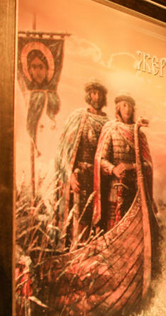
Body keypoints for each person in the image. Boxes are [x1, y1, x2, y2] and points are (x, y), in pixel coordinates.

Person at [54, 80, 109, 244]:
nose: (97, 97)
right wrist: (70, 175)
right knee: (79, 217)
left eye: (99, 94)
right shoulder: (78, 117)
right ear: (89, 95)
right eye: (94, 93)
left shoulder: (108, 123)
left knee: (99, 218)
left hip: (100, 179)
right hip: (80, 176)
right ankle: (75, 250)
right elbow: (64, 150)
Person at [93, 94, 152, 231]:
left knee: (131, 226)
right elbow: (100, 159)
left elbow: (148, 165)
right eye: (124, 105)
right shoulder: (111, 129)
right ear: (118, 108)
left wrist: (130, 166)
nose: (127, 109)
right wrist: (113, 169)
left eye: (130, 106)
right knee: (112, 224)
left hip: (134, 189)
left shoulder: (139, 133)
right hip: (114, 187)